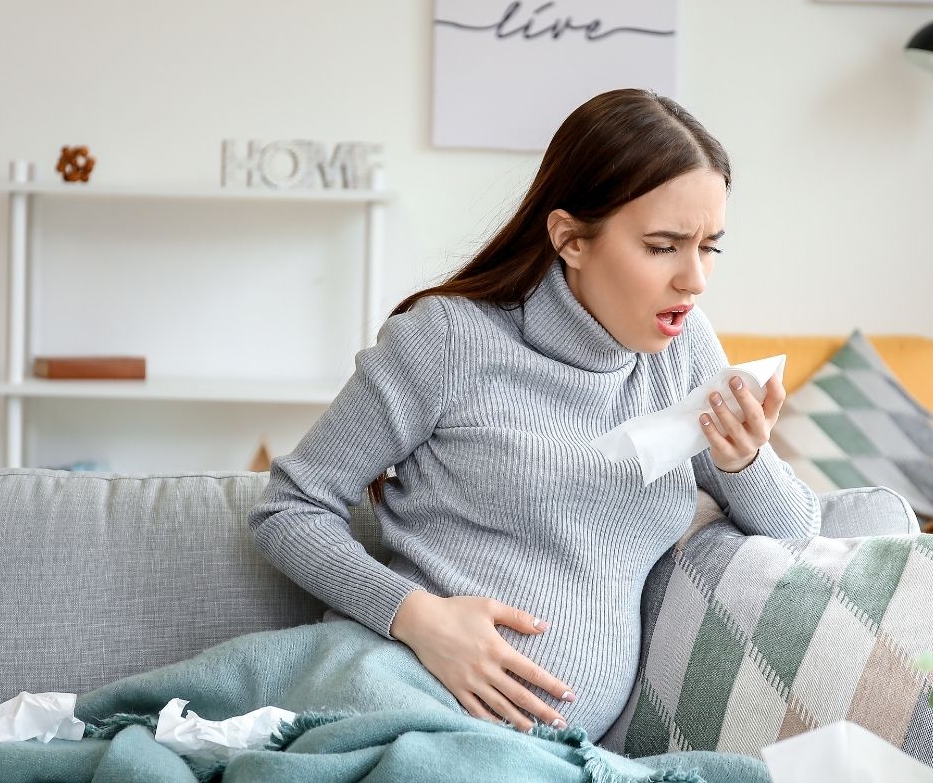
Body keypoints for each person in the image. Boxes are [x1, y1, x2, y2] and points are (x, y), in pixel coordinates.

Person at [248, 88, 821, 745]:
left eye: (710, 246)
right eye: (664, 246)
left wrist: (743, 459)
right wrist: (415, 618)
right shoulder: (446, 339)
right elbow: (288, 509)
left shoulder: (683, 352)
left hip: (536, 753)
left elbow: (796, 530)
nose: (694, 279)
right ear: (570, 238)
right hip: (396, 694)